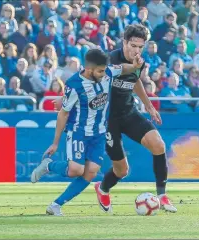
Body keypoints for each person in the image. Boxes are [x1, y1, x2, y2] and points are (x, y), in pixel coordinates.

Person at [30, 49, 143, 216]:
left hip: (99, 134)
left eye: (105, 70)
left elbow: (122, 68)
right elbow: (63, 112)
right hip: (78, 132)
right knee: (76, 170)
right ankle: (48, 165)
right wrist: (55, 142)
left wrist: (134, 66)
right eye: (100, 71)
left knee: (90, 172)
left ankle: (56, 205)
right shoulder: (74, 85)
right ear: (89, 69)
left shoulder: (107, 72)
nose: (104, 74)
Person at [94, 24, 177, 213]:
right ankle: (103, 187)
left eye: (140, 47)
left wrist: (148, 105)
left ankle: (162, 195)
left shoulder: (140, 62)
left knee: (158, 144)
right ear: (124, 42)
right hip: (107, 119)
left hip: (128, 112)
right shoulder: (110, 59)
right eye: (133, 45)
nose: (136, 50)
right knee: (122, 171)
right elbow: (122, 70)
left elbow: (135, 79)